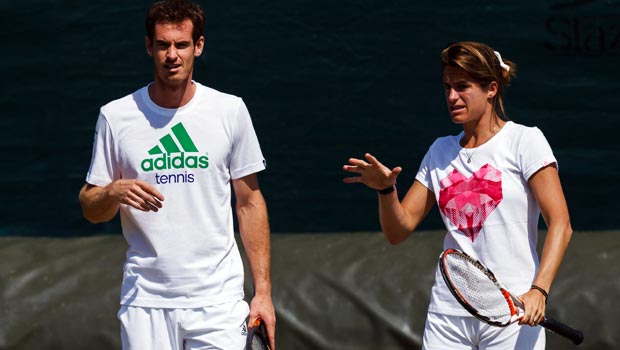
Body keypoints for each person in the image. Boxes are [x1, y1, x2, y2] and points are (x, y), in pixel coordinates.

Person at [343, 41, 573, 349]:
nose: (452, 97)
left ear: (491, 89)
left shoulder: (525, 141)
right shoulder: (440, 151)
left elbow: (560, 223)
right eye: (447, 87)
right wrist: (386, 190)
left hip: (514, 310)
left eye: (462, 86)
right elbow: (399, 231)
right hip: (448, 314)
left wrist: (539, 291)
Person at [78, 0, 275, 349]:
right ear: (148, 47)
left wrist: (262, 293)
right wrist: (112, 193)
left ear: (198, 46)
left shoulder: (230, 111)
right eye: (163, 45)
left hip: (218, 301)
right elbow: (91, 207)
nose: (172, 55)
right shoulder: (116, 116)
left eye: (181, 44)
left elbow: (249, 202)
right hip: (146, 302)